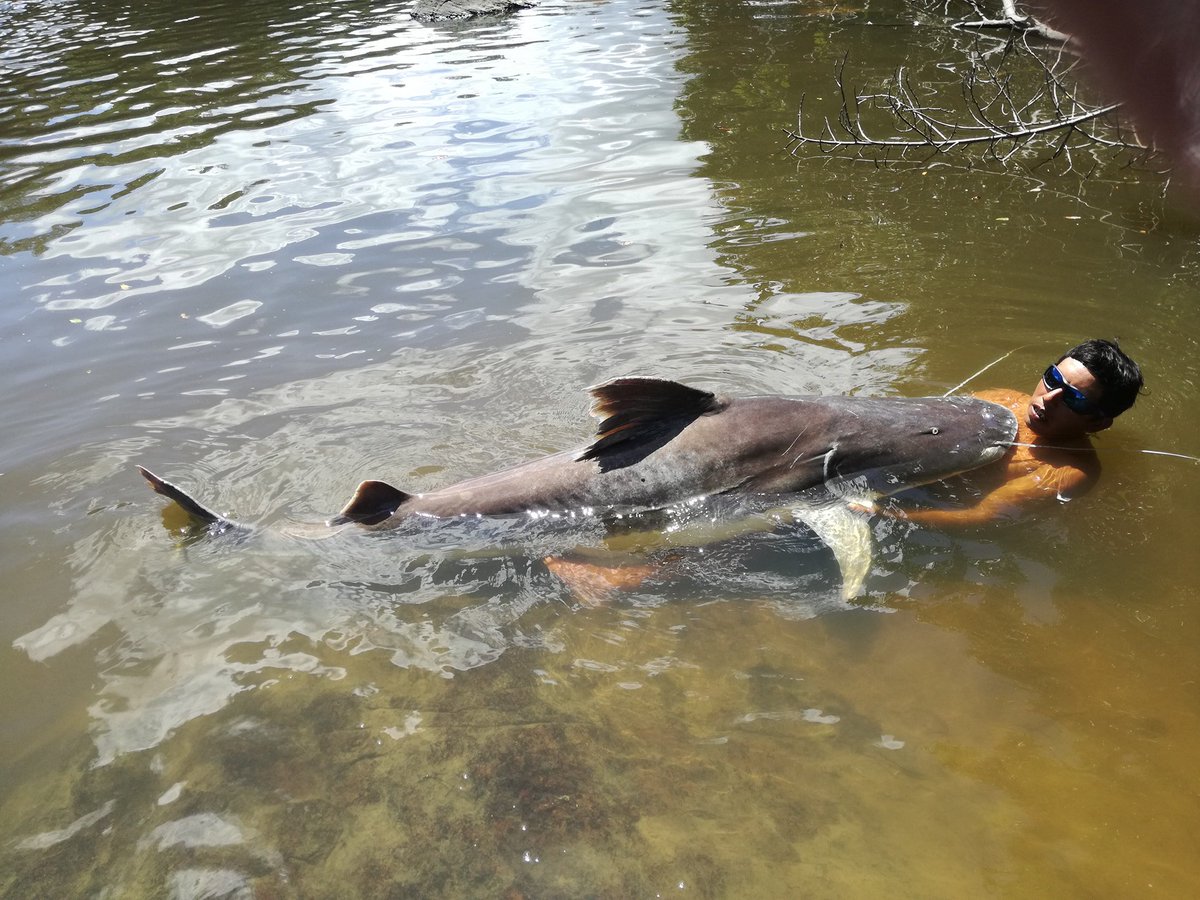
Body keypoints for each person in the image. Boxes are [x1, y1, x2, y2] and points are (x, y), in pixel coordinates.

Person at [875, 338, 1143, 528]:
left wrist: (882, 514)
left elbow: (981, 515)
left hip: (915, 506)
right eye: (1052, 378)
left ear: (1098, 423)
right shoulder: (1003, 399)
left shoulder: (1071, 471)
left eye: (1074, 399)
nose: (1047, 399)